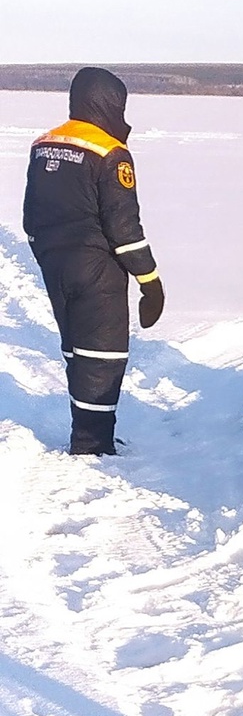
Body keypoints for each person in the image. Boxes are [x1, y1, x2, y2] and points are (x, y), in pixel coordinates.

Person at [22, 67, 164, 456]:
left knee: (76, 351)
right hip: (96, 269)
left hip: (55, 265)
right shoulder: (111, 153)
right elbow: (124, 227)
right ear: (110, 103)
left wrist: (46, 255)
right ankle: (92, 444)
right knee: (103, 354)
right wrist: (149, 280)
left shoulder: (44, 144)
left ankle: (85, 433)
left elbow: (30, 215)